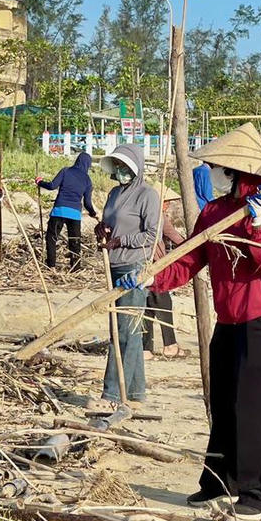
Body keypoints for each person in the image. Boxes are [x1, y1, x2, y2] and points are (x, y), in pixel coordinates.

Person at [146, 123, 261, 521]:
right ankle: (220, 481)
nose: (210, 173)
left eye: (215, 168)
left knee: (256, 405)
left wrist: (259, 225)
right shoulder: (213, 212)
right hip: (229, 317)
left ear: (234, 171)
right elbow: (190, 259)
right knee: (225, 399)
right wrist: (153, 277)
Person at [96, 143, 159, 405]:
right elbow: (109, 223)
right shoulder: (114, 193)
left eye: (124, 166)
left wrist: (122, 241)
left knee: (125, 331)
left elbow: (152, 235)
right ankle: (135, 392)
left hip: (134, 268)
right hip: (113, 266)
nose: (120, 170)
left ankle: (112, 393)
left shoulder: (148, 195)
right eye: (117, 166)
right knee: (123, 329)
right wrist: (102, 230)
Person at [143, 186, 187, 360]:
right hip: (155, 265)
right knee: (163, 304)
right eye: (166, 202)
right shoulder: (158, 216)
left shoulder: (142, 212)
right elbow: (175, 237)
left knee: (146, 306)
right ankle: (170, 346)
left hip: (141, 264)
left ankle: (145, 349)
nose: (167, 206)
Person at [38, 151, 97, 271]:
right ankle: (75, 268)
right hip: (75, 214)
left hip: (59, 211)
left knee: (51, 238)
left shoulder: (65, 171)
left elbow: (52, 186)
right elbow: (87, 203)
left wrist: (40, 182)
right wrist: (93, 213)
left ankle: (51, 266)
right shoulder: (87, 180)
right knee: (75, 242)